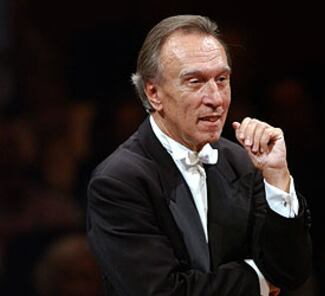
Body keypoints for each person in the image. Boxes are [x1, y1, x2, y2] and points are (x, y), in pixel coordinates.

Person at [86, 15, 312, 296]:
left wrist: (278, 177)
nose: (216, 99)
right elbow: (162, 292)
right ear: (154, 93)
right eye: (195, 82)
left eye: (222, 80)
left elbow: (291, 271)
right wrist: (261, 279)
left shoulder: (242, 162)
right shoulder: (119, 181)